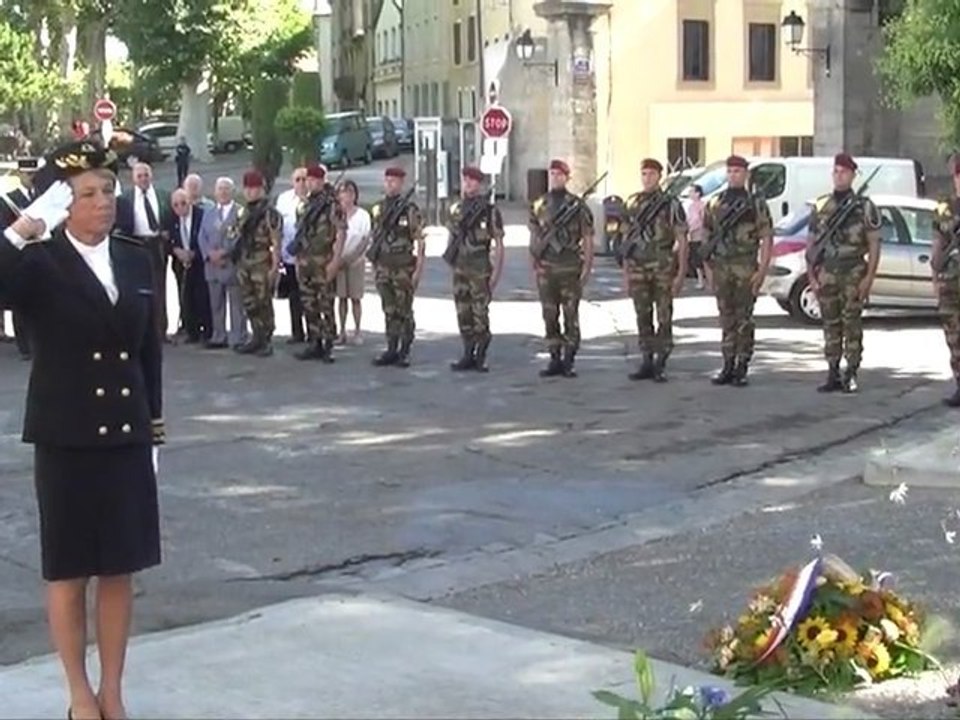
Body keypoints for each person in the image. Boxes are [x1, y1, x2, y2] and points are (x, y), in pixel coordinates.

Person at [0, 140, 164, 720]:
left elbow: (149, 355)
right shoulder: (40, 263)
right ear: (62, 204)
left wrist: (154, 434)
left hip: (124, 435)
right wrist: (20, 228)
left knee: (119, 568)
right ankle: (78, 694)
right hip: (66, 437)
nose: (103, 203)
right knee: (69, 571)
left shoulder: (136, 259)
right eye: (88, 194)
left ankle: (113, 691)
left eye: (108, 191)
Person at [807, 153, 881, 394]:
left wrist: (869, 277)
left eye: (844, 172)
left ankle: (851, 372)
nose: (839, 176)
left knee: (852, 324)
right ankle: (832, 372)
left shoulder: (864, 206)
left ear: (852, 175)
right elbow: (811, 245)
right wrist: (811, 275)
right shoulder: (821, 206)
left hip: (853, 272)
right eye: (836, 171)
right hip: (827, 271)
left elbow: (874, 243)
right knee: (830, 324)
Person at [702, 155, 773, 387]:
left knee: (744, 319)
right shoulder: (714, 202)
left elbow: (766, 237)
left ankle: (742, 365)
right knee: (726, 318)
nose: (733, 175)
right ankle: (727, 364)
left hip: (745, 266)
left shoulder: (755, 204)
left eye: (738, 171)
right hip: (721, 267)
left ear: (746, 175)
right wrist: (708, 270)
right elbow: (706, 237)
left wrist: (762, 270)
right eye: (730, 171)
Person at [620, 158, 688, 382]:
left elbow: (682, 238)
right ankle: (647, 359)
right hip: (638, 266)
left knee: (664, 315)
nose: (647, 178)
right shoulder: (632, 203)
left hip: (663, 266)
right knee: (642, 314)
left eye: (651, 174)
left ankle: (661, 361)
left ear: (659, 176)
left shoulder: (671, 204)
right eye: (644, 174)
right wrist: (626, 274)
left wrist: (681, 272)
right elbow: (626, 240)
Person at [528, 159, 594, 378]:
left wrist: (587, 267)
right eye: (552, 174)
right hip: (546, 268)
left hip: (569, 267)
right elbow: (535, 235)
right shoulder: (540, 204)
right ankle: (554, 358)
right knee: (549, 314)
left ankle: (569, 360)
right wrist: (534, 261)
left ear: (567, 177)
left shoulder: (577, 205)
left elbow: (587, 238)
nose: (555, 177)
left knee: (570, 315)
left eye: (559, 174)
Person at [444, 165, 504, 372]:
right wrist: (452, 264)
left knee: (481, 314)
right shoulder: (456, 209)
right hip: (460, 268)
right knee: (463, 312)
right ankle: (467, 353)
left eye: (472, 181)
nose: (468, 184)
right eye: (465, 180)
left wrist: (496, 272)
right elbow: (451, 238)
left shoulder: (489, 210)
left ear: (479, 184)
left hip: (480, 269)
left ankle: (481, 355)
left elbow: (498, 243)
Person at [367, 166, 425, 367]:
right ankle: (391, 348)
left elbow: (419, 240)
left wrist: (418, 269)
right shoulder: (378, 209)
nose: (390, 184)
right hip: (383, 267)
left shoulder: (409, 210)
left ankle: (405, 350)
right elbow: (375, 237)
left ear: (401, 184)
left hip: (403, 269)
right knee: (389, 309)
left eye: (394, 181)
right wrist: (375, 266)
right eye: (387, 180)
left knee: (404, 310)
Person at [293, 164, 344, 362]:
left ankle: (329, 344)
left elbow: (341, 233)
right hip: (306, 262)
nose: (311, 183)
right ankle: (314, 342)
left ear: (322, 181)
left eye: (315, 180)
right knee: (308, 304)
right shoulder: (304, 206)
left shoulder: (332, 205)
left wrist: (336, 260)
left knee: (326, 304)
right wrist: (298, 261)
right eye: (308, 180)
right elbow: (300, 235)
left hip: (324, 261)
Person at [234, 169, 282, 357]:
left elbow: (276, 242)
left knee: (264, 302)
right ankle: (256, 337)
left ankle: (267, 340)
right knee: (249, 302)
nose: (249, 192)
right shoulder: (245, 211)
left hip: (262, 261)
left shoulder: (270, 213)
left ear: (262, 189)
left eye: (254, 188)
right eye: (247, 188)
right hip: (245, 262)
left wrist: (275, 268)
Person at [0, 156, 44, 360]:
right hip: (20, 253)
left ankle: (39, 340)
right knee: (21, 301)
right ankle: (24, 345)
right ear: (20, 175)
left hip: (41, 250)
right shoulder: (8, 199)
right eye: (27, 174)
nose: (31, 177)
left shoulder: (41, 196)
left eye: (33, 174)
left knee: (40, 297)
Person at [198, 177, 248, 349]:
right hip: (212, 266)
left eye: (227, 188)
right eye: (220, 188)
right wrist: (209, 254)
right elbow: (201, 236)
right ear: (215, 192)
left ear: (233, 191)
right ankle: (219, 336)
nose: (223, 192)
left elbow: (240, 237)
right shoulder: (209, 213)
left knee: (236, 305)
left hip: (232, 265)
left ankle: (238, 337)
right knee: (216, 304)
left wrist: (224, 253)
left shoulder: (240, 212)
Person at [165, 188, 211, 343]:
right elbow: (167, 239)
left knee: (202, 296)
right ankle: (192, 332)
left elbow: (207, 238)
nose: (180, 208)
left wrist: (194, 254)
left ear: (189, 201)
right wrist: (176, 250)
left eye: (183, 203)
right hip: (181, 263)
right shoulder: (171, 218)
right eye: (176, 205)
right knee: (186, 297)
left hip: (199, 261)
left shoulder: (201, 215)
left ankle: (207, 331)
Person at [934, 157, 960, 407]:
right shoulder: (945, 208)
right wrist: (935, 276)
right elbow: (937, 244)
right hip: (950, 284)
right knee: (953, 337)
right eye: (958, 175)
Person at [275, 167, 309, 343]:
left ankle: (314, 333)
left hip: (310, 259)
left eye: (304, 179)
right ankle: (297, 333)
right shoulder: (283, 200)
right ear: (292, 182)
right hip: (289, 256)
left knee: (311, 297)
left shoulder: (316, 200)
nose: (302, 183)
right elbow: (278, 228)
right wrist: (278, 253)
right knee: (294, 296)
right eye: (298, 180)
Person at [335, 179, 371, 345]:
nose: (347, 196)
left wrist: (355, 258)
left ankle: (357, 330)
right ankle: (341, 331)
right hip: (339, 260)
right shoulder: (335, 214)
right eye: (343, 192)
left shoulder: (363, 215)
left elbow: (365, 239)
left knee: (355, 298)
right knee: (341, 297)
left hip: (356, 261)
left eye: (350, 192)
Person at [687, 184, 707, 288]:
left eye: (692, 191)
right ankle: (700, 280)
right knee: (695, 259)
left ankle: (705, 280)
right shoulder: (690, 206)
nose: (690, 194)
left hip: (700, 235)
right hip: (692, 235)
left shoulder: (702, 205)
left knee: (702, 258)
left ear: (698, 194)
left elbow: (701, 220)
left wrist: (694, 228)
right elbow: (689, 220)